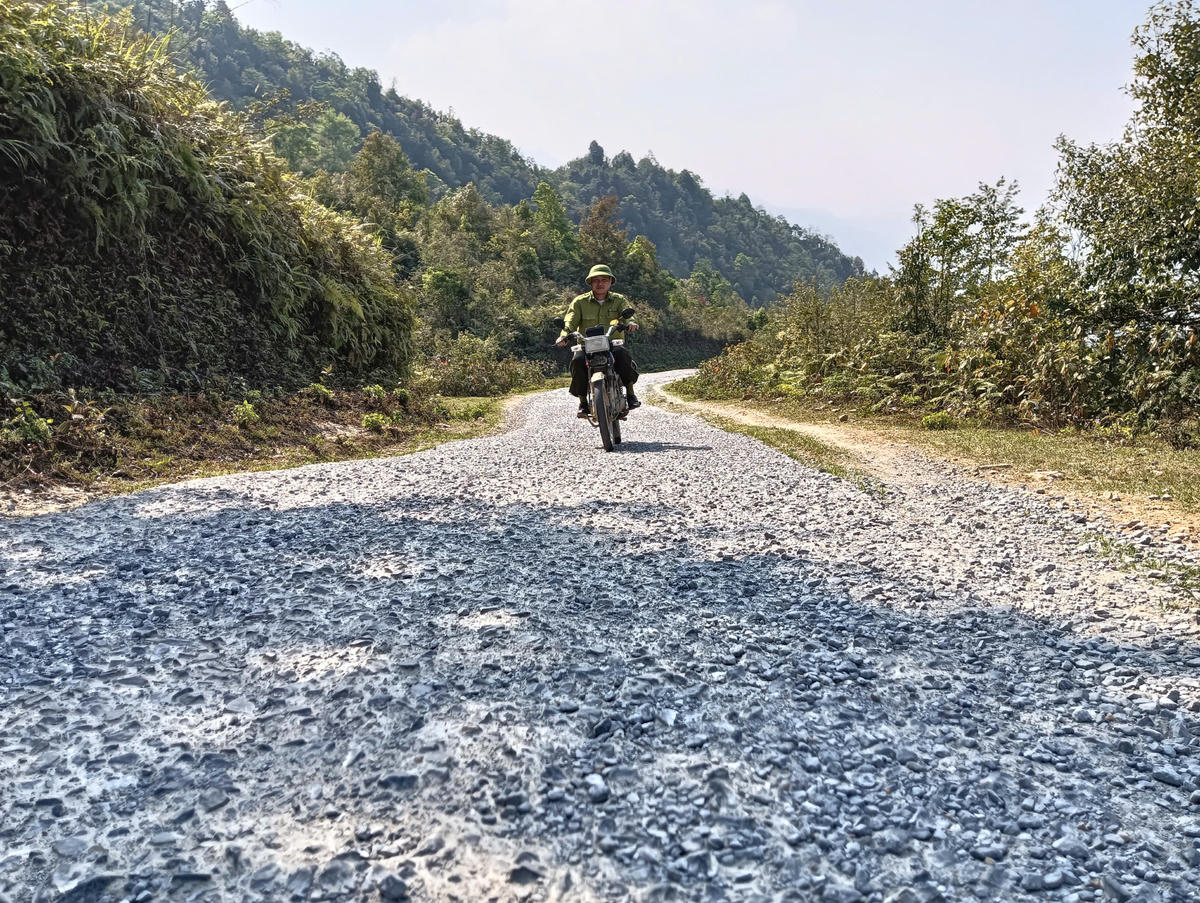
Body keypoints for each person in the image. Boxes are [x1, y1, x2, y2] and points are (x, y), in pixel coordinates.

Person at [556, 264, 640, 418]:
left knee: (623, 356)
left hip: (611, 343)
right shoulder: (579, 302)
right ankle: (583, 402)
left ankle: (630, 394)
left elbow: (628, 315)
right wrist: (563, 335)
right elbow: (570, 321)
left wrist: (631, 323)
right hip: (586, 345)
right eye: (596, 280)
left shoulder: (618, 300)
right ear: (590, 282)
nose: (600, 284)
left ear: (610, 282)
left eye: (604, 280)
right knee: (577, 361)